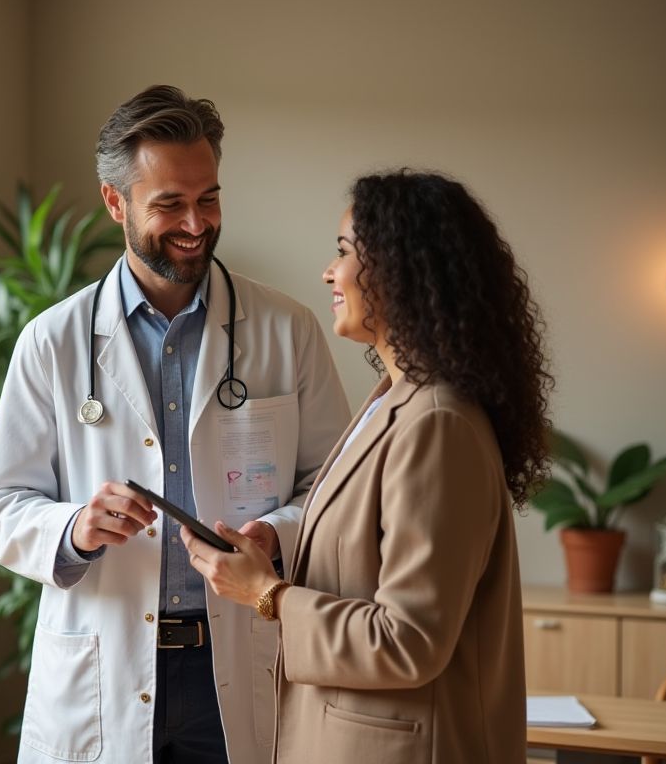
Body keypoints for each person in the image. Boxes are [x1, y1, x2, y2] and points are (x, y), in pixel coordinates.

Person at [0, 85, 351, 764]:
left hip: (237, 657)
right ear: (115, 202)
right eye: (170, 204)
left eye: (209, 198)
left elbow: (334, 487)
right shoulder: (53, 341)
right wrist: (74, 527)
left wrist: (276, 533)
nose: (196, 223)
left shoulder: (286, 330)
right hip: (105, 662)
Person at [184, 169, 553, 763]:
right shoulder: (393, 401)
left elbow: (408, 641)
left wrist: (267, 594)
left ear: (401, 268)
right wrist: (276, 547)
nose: (329, 272)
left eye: (344, 252)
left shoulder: (437, 422)